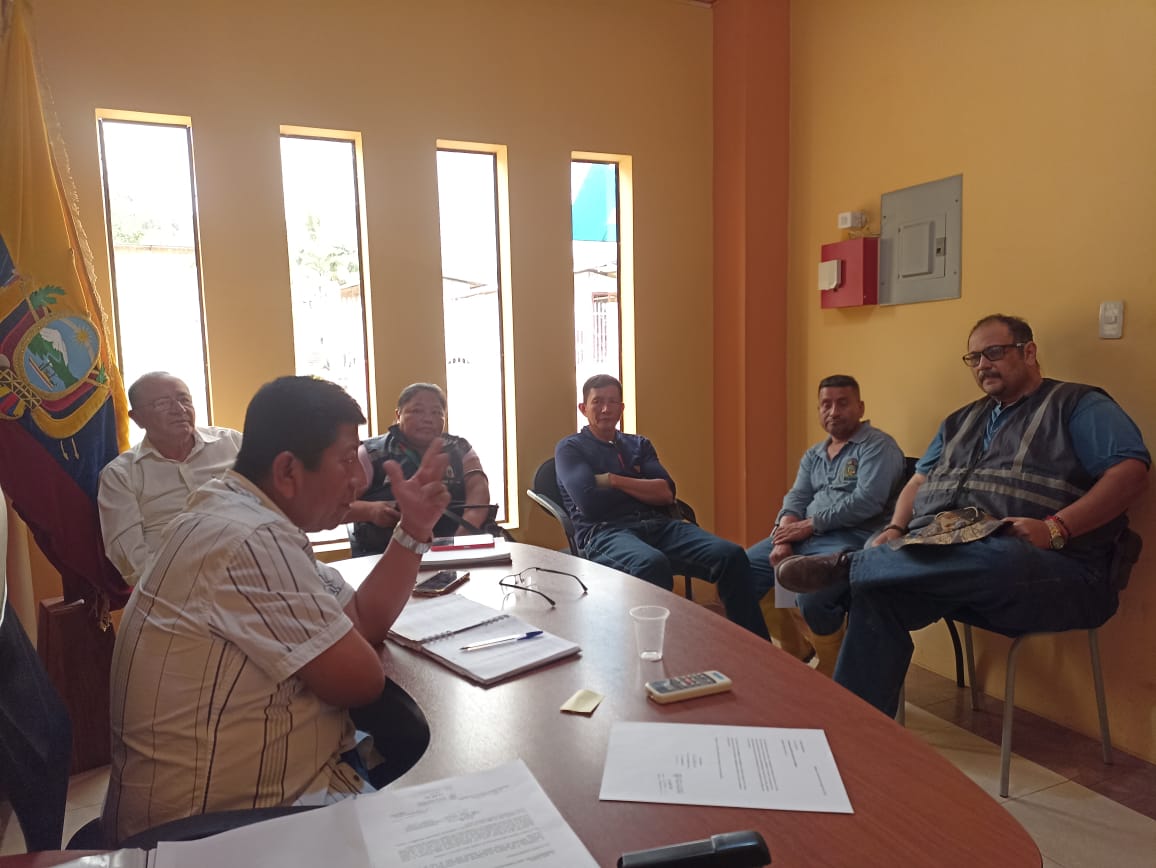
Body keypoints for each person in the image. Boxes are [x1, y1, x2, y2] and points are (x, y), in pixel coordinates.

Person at [103, 376, 450, 843]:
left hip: (243, 806)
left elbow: (362, 620)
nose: (359, 479)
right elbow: (362, 681)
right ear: (288, 471)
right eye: (347, 459)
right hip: (217, 835)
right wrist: (344, 640)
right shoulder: (248, 537)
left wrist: (414, 528)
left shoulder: (236, 510)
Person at [777, 314, 1149, 717]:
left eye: (994, 352)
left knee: (998, 551)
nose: (983, 365)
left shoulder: (1077, 405)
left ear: (1029, 352)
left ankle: (850, 568)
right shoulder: (958, 421)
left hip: (1058, 570)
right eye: (974, 358)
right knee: (877, 594)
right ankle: (857, 730)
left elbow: (1130, 474)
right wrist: (897, 528)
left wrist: (1056, 527)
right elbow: (919, 481)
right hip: (954, 565)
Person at [555, 374, 769, 639]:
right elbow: (590, 503)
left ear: (622, 408)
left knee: (732, 556)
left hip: (660, 525)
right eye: (597, 402)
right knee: (651, 564)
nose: (606, 409)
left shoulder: (639, 444)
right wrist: (641, 486)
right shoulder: (570, 448)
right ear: (583, 408)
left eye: (613, 402)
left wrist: (612, 480)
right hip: (605, 532)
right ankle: (657, 649)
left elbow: (666, 493)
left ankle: (753, 646)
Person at [747, 375, 905, 674]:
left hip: (850, 539)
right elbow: (797, 496)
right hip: (806, 535)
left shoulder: (877, 446)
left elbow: (867, 501)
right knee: (741, 570)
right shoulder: (814, 454)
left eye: (842, 403)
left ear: (860, 407)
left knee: (812, 595)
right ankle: (794, 648)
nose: (833, 411)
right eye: (826, 405)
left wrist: (809, 526)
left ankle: (832, 669)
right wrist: (784, 537)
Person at [98, 372, 242, 585]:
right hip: (177, 588)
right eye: (162, 403)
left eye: (185, 400)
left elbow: (270, 506)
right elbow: (131, 560)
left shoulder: (233, 444)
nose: (180, 409)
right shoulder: (120, 475)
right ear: (136, 418)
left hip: (250, 569)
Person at [348, 383, 492, 556]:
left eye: (436, 413)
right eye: (417, 411)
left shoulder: (460, 448)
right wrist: (370, 510)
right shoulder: (371, 453)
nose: (428, 419)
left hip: (457, 549)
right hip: (387, 553)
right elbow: (337, 503)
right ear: (398, 414)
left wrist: (459, 540)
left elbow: (478, 491)